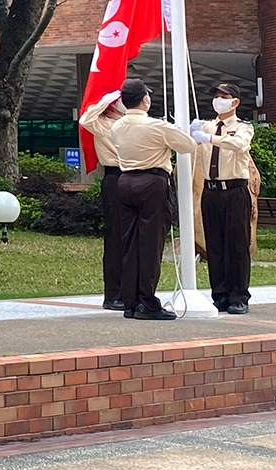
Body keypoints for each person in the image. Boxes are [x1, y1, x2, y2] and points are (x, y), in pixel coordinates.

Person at [107, 78, 197, 321]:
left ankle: (130, 302)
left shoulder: (117, 126)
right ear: (145, 100)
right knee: (150, 245)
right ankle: (147, 301)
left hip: (125, 182)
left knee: (129, 244)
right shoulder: (157, 126)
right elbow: (188, 145)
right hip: (152, 182)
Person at [191, 82, 257, 314]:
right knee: (215, 245)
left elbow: (239, 144)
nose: (218, 100)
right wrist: (191, 132)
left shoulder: (242, 127)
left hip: (234, 190)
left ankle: (239, 296)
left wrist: (210, 138)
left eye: (223, 96)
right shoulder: (207, 125)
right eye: (216, 96)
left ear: (235, 102)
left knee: (237, 245)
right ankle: (219, 294)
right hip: (211, 191)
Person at [79, 89, 127, 311]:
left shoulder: (130, 123)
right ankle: (114, 294)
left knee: (132, 238)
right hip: (115, 177)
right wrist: (105, 100)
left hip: (135, 176)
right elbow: (85, 119)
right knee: (116, 237)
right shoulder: (102, 123)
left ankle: (131, 291)